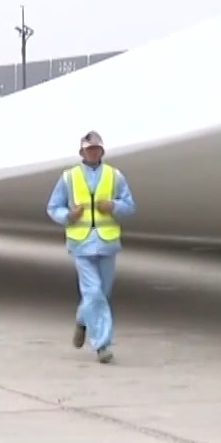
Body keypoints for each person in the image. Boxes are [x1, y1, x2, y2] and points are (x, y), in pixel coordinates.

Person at [45, 131, 136, 364]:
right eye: (89, 149)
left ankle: (82, 319)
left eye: (96, 149)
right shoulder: (69, 177)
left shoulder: (114, 176)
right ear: (81, 152)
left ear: (102, 151)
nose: (93, 153)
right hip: (81, 244)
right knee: (93, 292)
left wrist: (113, 206)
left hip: (107, 244)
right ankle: (102, 345)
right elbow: (53, 207)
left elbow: (129, 206)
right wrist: (69, 215)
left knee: (101, 294)